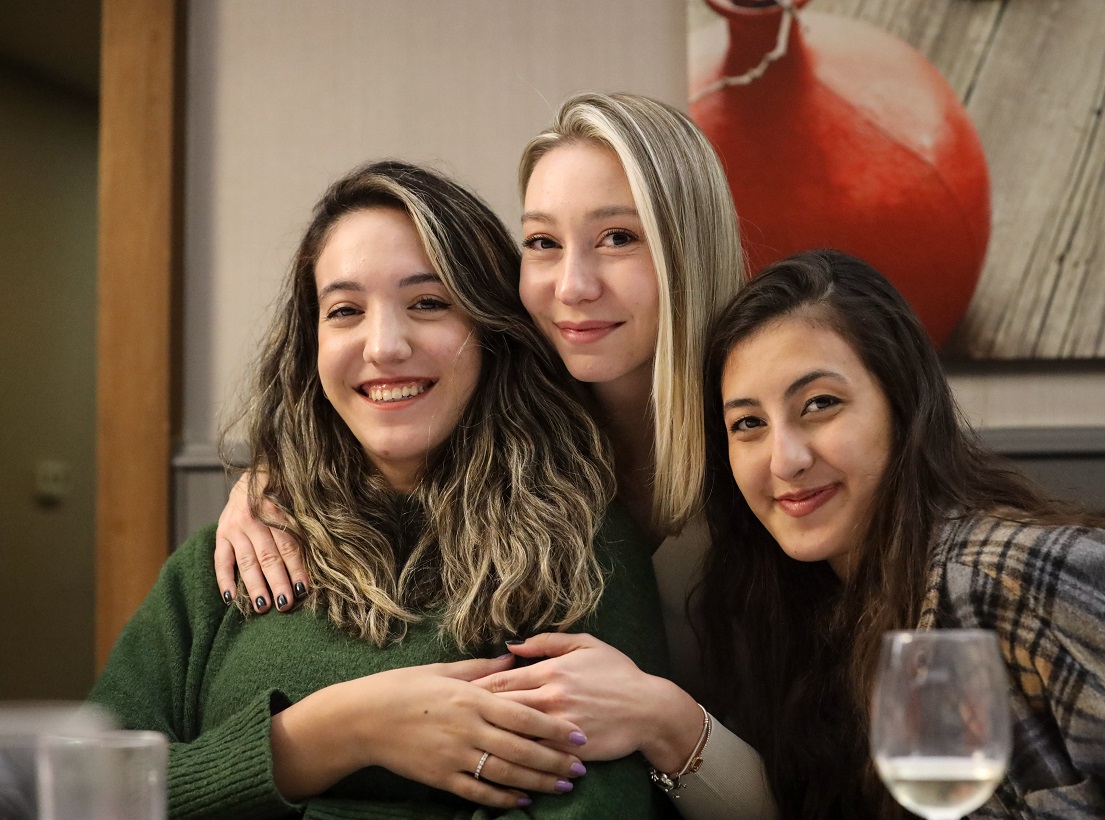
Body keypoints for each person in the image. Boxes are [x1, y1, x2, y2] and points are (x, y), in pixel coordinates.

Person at [209, 93, 779, 819]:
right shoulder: (522, 429)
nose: (572, 285)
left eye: (617, 238)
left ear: (687, 251)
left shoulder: (770, 459)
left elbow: (834, 789)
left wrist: (665, 719)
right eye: (542, 243)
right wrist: (271, 480)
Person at [89, 160, 672, 819]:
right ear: (310, 344)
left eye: (428, 303)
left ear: (491, 331)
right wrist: (330, 734)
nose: (384, 346)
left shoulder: (580, 545)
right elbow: (85, 792)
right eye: (345, 311)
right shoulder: (227, 558)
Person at [698, 248, 1105, 818]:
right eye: (748, 424)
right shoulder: (803, 616)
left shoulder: (1020, 578)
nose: (785, 460)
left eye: (819, 404)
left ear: (902, 405)